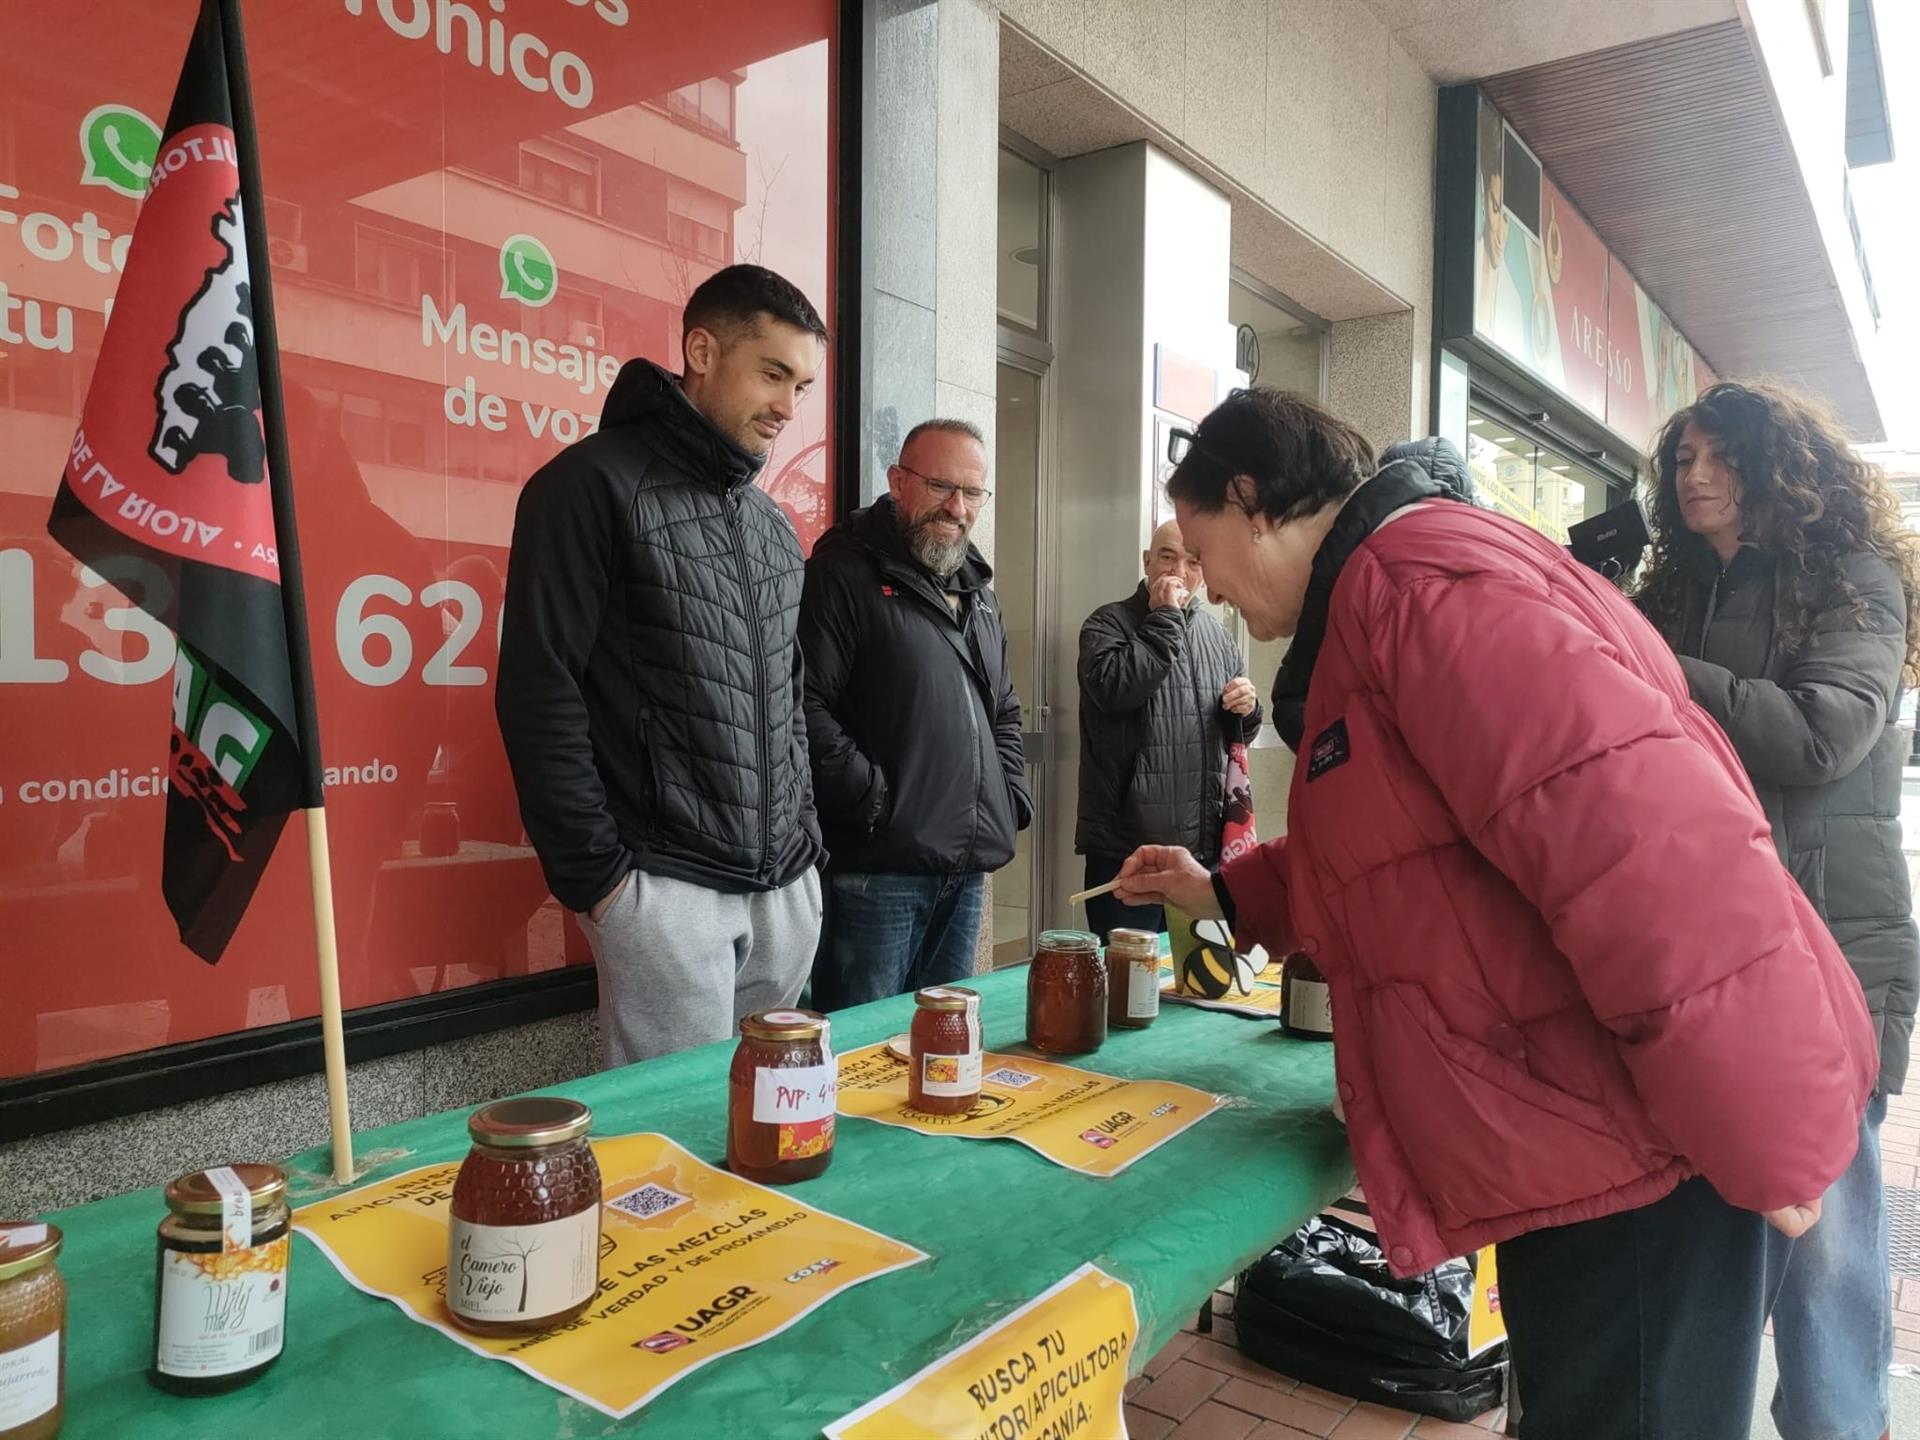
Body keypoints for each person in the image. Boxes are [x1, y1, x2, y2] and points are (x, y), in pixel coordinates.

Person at [1111, 387, 1877, 1439]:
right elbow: (1419, 835)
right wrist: (1227, 895)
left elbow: (1650, 857)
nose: (1201, 584)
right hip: (1595, 1132)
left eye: (1198, 544)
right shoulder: (1391, 590)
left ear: (1249, 500)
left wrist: (1763, 1136)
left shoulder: (1424, 585)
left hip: (1648, 1152)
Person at [1636, 379, 1918, 1440]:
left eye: (1720, 457)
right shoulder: (1669, 590)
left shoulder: (1855, 579)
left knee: (1828, 1251)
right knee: (1719, 1235)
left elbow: (1820, 736)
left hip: (1834, 952)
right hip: (1706, 948)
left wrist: (1663, 669)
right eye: (1683, 459)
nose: (1694, 476)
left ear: (1780, 470)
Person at [496, 264, 827, 1068]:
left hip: (785, 884)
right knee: (674, 1143)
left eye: (803, 385)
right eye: (773, 374)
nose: (788, 406)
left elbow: (788, 701)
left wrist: (807, 848)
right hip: (663, 887)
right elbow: (540, 689)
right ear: (702, 351)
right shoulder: (587, 485)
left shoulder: (772, 526)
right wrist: (603, 886)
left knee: (766, 1126)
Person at [799, 419, 1031, 1008]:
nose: (956, 507)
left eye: (972, 492)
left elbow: (1002, 707)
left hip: (965, 869)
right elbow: (805, 704)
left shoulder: (977, 592)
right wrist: (873, 799)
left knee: (940, 1051)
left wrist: (1009, 796)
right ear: (897, 481)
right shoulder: (844, 572)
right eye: (939, 486)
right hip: (877, 872)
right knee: (861, 1053)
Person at [1075, 519, 1260, 940]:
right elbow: (1117, 691)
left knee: (1196, 985)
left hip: (1202, 856)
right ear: (1146, 561)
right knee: (1125, 986)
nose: (1179, 571)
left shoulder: (1218, 635)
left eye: (1192, 560)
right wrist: (1164, 619)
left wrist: (1246, 709)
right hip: (1126, 852)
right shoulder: (1106, 625)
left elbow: (1234, 738)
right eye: (1166, 557)